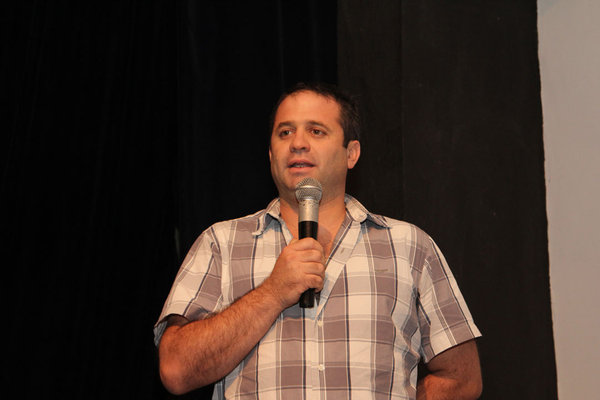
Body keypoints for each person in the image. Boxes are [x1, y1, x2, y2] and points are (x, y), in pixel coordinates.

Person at [154, 82, 482, 399]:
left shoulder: (409, 246)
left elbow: (462, 378)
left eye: (316, 131)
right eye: (285, 132)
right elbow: (176, 370)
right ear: (270, 154)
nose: (298, 143)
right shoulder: (221, 243)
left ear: (351, 153)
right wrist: (273, 292)